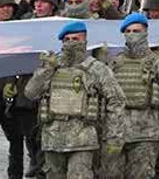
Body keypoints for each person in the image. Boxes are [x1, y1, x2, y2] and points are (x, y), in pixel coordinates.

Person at [25, 21, 126, 179]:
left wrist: (114, 136)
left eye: (75, 39)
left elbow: (116, 101)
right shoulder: (52, 66)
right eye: (67, 40)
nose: (71, 43)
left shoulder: (97, 69)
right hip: (52, 139)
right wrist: (46, 70)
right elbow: (31, 93)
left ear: (85, 41)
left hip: (83, 139)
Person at [106, 13, 159, 179]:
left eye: (137, 31)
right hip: (117, 134)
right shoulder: (114, 63)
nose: (132, 34)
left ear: (146, 32)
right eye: (128, 31)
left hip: (147, 133)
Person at [0, 0, 39, 179]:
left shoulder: (20, 30)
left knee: (17, 140)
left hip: (14, 94)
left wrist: (11, 83)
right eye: (2, 6)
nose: (6, 9)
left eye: (10, 6)